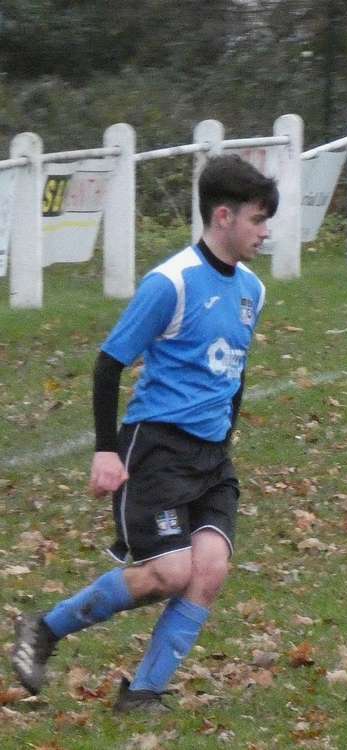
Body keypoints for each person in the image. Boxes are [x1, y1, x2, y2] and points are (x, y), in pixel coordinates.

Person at [12, 154, 278, 712]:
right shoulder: (171, 282)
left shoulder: (252, 288)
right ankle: (45, 629)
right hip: (156, 449)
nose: (265, 230)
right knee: (168, 572)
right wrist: (105, 451)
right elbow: (110, 363)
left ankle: (144, 693)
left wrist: (224, 435)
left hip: (211, 457)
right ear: (224, 216)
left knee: (209, 571)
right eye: (258, 219)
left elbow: (236, 369)